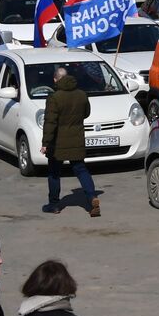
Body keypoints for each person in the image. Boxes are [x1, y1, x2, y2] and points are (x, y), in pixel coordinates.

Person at [42, 66, 99, 217]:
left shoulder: (54, 97)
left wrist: (45, 143)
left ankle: (54, 205)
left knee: (54, 172)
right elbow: (86, 113)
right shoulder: (81, 94)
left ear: (55, 79)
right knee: (81, 170)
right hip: (77, 138)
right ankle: (92, 197)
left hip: (57, 142)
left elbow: (50, 122)